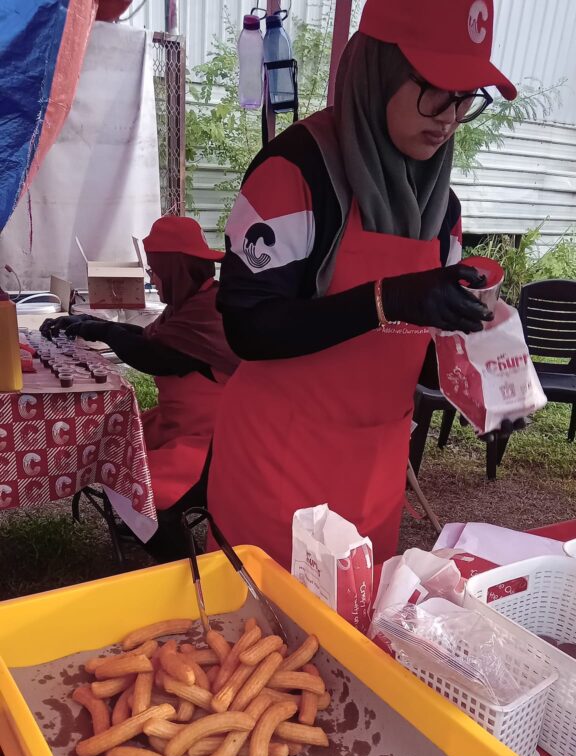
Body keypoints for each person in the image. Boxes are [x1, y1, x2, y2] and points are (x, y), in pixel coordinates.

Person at [207, 0, 518, 569]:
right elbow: (248, 327)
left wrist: (481, 368)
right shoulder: (296, 173)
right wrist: (388, 299)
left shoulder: (440, 206)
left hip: (374, 472)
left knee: (354, 638)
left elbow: (416, 356)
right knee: (262, 647)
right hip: (279, 470)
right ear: (380, 71)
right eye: (434, 87)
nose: (449, 116)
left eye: (466, 96)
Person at [40, 216, 238, 560]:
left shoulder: (211, 312)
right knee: (112, 447)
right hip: (179, 427)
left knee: (139, 482)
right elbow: (148, 337)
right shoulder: (189, 306)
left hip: (214, 443)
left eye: (155, 271)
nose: (152, 279)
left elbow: (156, 356)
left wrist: (101, 331)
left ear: (176, 269)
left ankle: (175, 565)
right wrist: (88, 324)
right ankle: (143, 526)